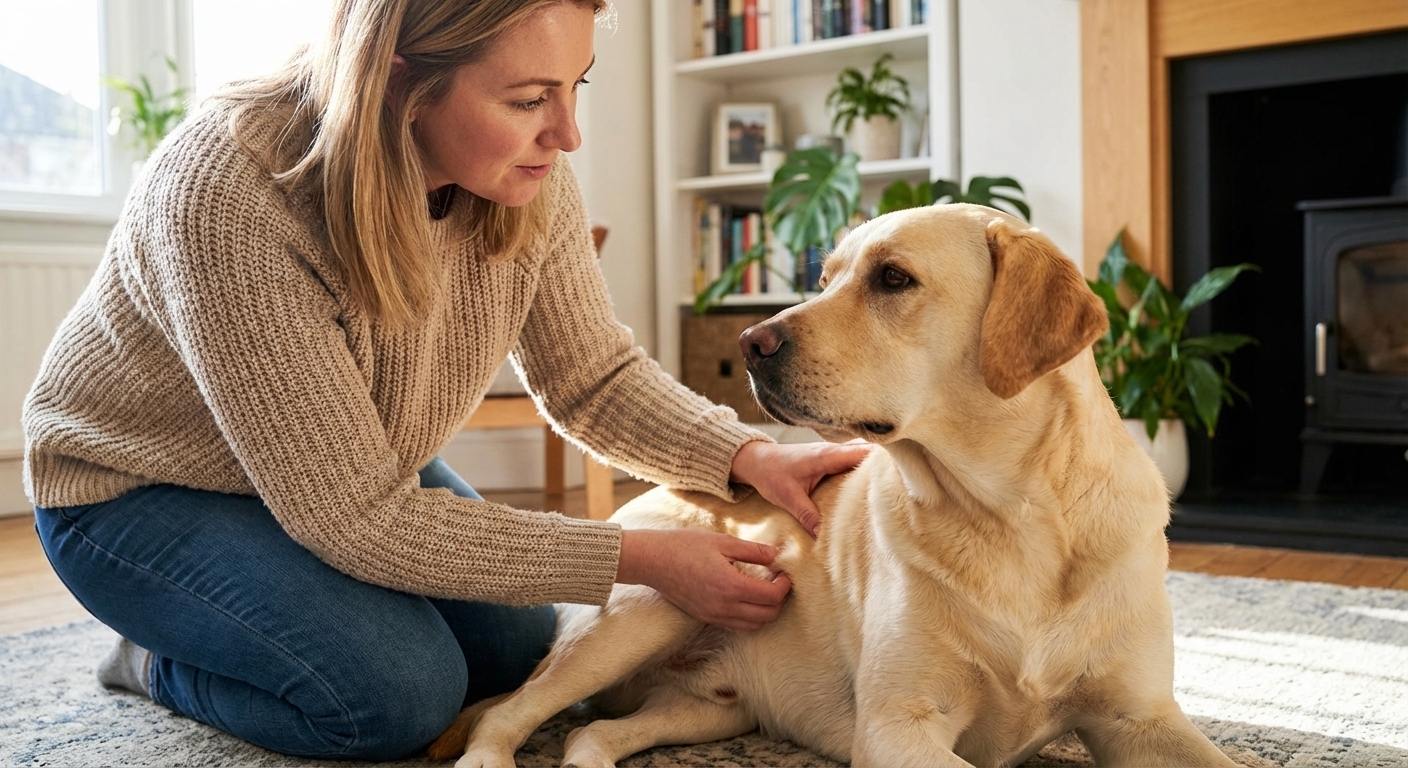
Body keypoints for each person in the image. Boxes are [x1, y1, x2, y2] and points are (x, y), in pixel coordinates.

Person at [22, 0, 870, 760]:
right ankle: (156, 658)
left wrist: (748, 456)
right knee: (393, 699)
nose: (568, 134)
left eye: (576, 84)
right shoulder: (230, 187)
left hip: (346, 469)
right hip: (137, 493)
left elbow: (592, 378)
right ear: (401, 81)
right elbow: (356, 519)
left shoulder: (528, 181)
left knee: (514, 653)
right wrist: (638, 558)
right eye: (528, 99)